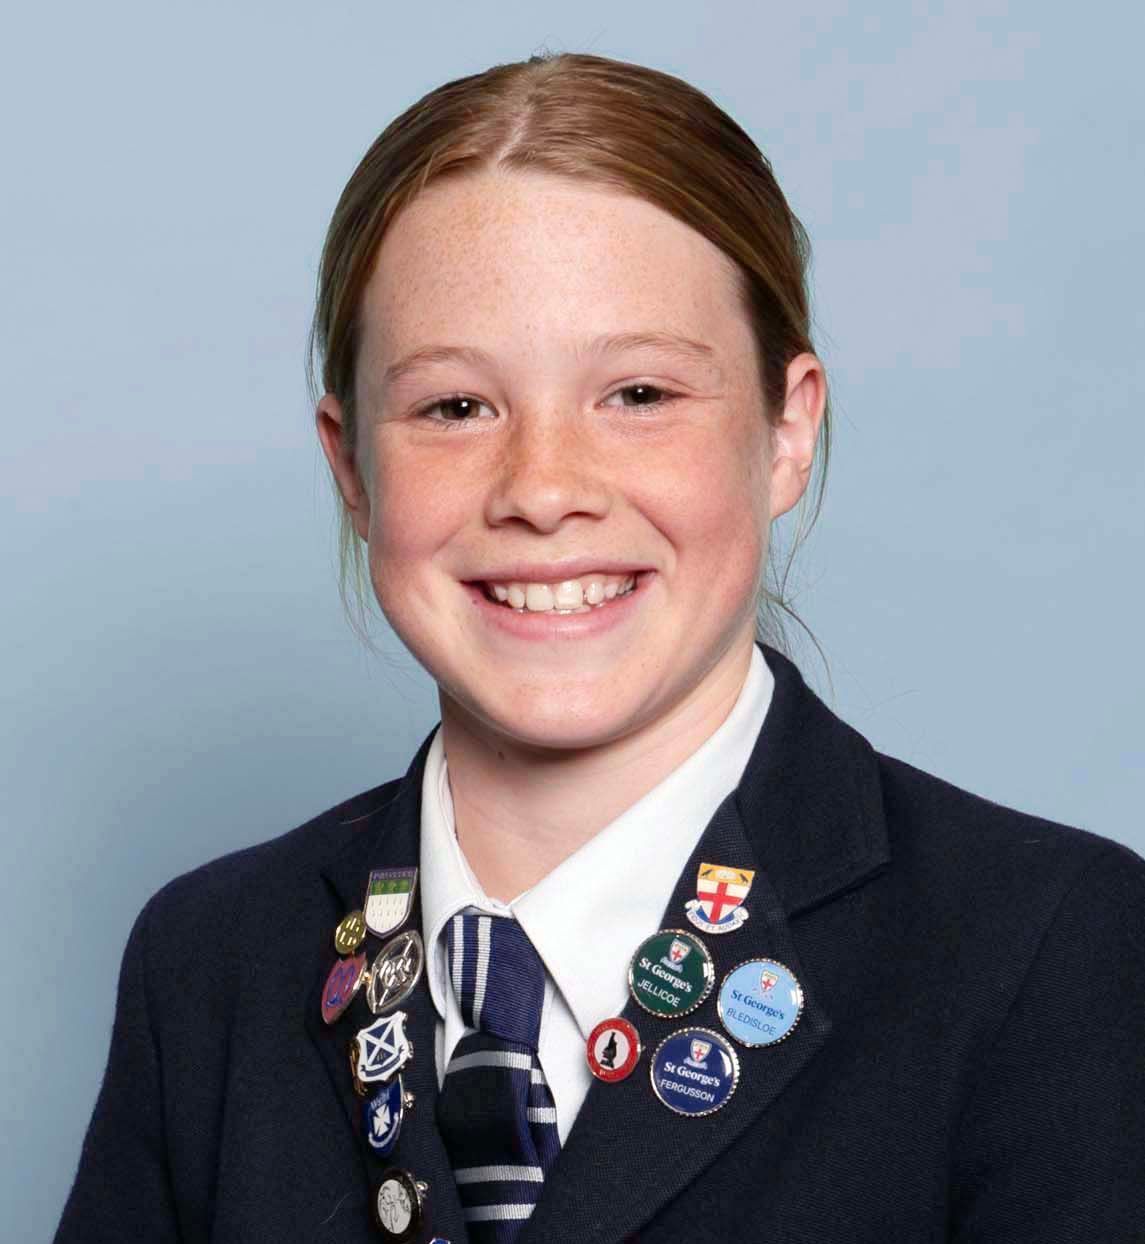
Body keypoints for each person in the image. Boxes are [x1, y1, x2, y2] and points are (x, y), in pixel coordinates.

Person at [55, 50, 1145, 1244]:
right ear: (350, 465)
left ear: (786, 431)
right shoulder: (211, 960)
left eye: (637, 394)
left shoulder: (1045, 948)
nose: (543, 488)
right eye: (454, 407)